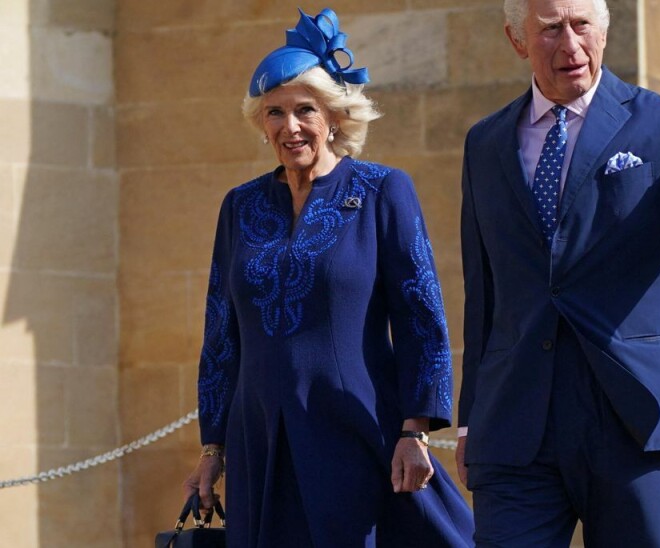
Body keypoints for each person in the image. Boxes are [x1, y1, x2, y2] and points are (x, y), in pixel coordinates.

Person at [456, 0, 660, 546]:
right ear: (517, 39)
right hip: (517, 419)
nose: (570, 46)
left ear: (604, 31)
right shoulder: (485, 143)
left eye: (581, 26)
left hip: (632, 415)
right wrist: (471, 417)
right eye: (550, 29)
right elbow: (484, 291)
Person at [181, 7, 474, 547]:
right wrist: (212, 448)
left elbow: (421, 317)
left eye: (304, 110)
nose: (289, 127)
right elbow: (220, 334)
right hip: (259, 438)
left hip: (357, 430)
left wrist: (417, 430)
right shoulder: (239, 206)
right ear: (259, 122)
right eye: (274, 113)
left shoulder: (384, 190)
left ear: (333, 115)